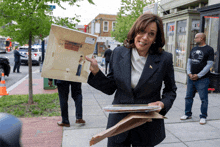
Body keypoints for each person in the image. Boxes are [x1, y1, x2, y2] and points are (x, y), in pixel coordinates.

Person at [86, 13, 177, 147]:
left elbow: (171, 91)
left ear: (155, 38)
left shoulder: (165, 59)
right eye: (142, 31)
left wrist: (162, 104)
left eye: (151, 34)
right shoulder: (118, 53)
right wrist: (96, 72)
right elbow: (110, 87)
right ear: (135, 31)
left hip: (146, 125)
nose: (145, 37)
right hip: (118, 124)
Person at [180, 33, 214, 125]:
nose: (194, 39)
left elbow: (209, 64)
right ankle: (187, 114)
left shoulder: (209, 49)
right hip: (191, 78)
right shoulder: (194, 49)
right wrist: (189, 73)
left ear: (202, 38)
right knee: (188, 97)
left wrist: (199, 75)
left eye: (196, 38)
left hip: (203, 79)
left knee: (203, 99)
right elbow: (189, 62)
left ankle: (203, 116)